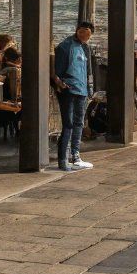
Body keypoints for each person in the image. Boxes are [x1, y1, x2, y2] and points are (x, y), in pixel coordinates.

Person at [51, 21, 94, 172]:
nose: (84, 36)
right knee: (68, 124)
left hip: (82, 90)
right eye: (81, 32)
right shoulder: (65, 46)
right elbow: (56, 71)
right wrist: (60, 84)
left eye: (87, 33)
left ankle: (76, 156)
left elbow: (88, 71)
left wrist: (90, 89)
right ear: (76, 31)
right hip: (68, 90)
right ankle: (63, 159)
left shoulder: (86, 48)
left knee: (79, 123)